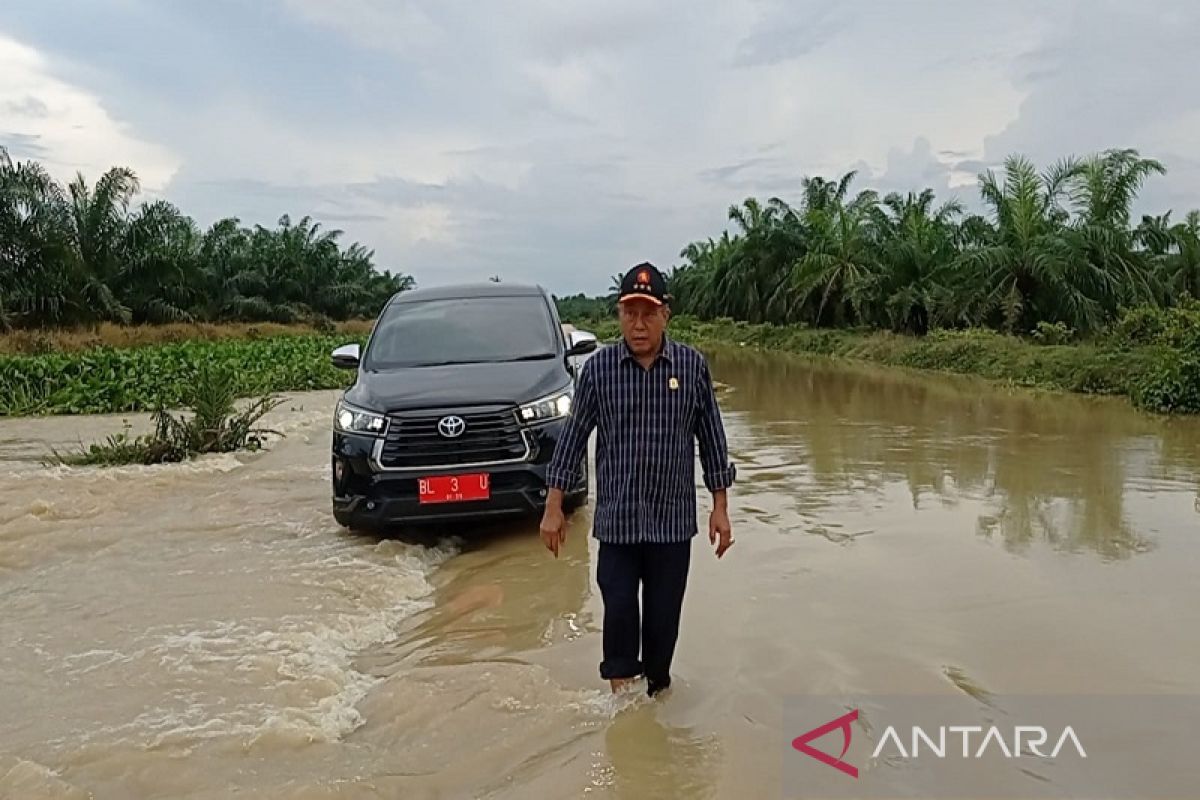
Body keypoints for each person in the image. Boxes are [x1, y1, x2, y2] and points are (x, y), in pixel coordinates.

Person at [539, 262, 736, 697]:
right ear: (619, 314)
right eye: (630, 312)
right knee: (621, 616)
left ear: (666, 313)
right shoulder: (600, 371)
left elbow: (713, 439)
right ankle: (625, 719)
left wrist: (720, 508)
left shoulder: (690, 367)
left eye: (648, 312)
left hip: (671, 525)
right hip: (618, 524)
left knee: (663, 630)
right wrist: (553, 507)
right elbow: (572, 439)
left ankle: (656, 706)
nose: (639, 323)